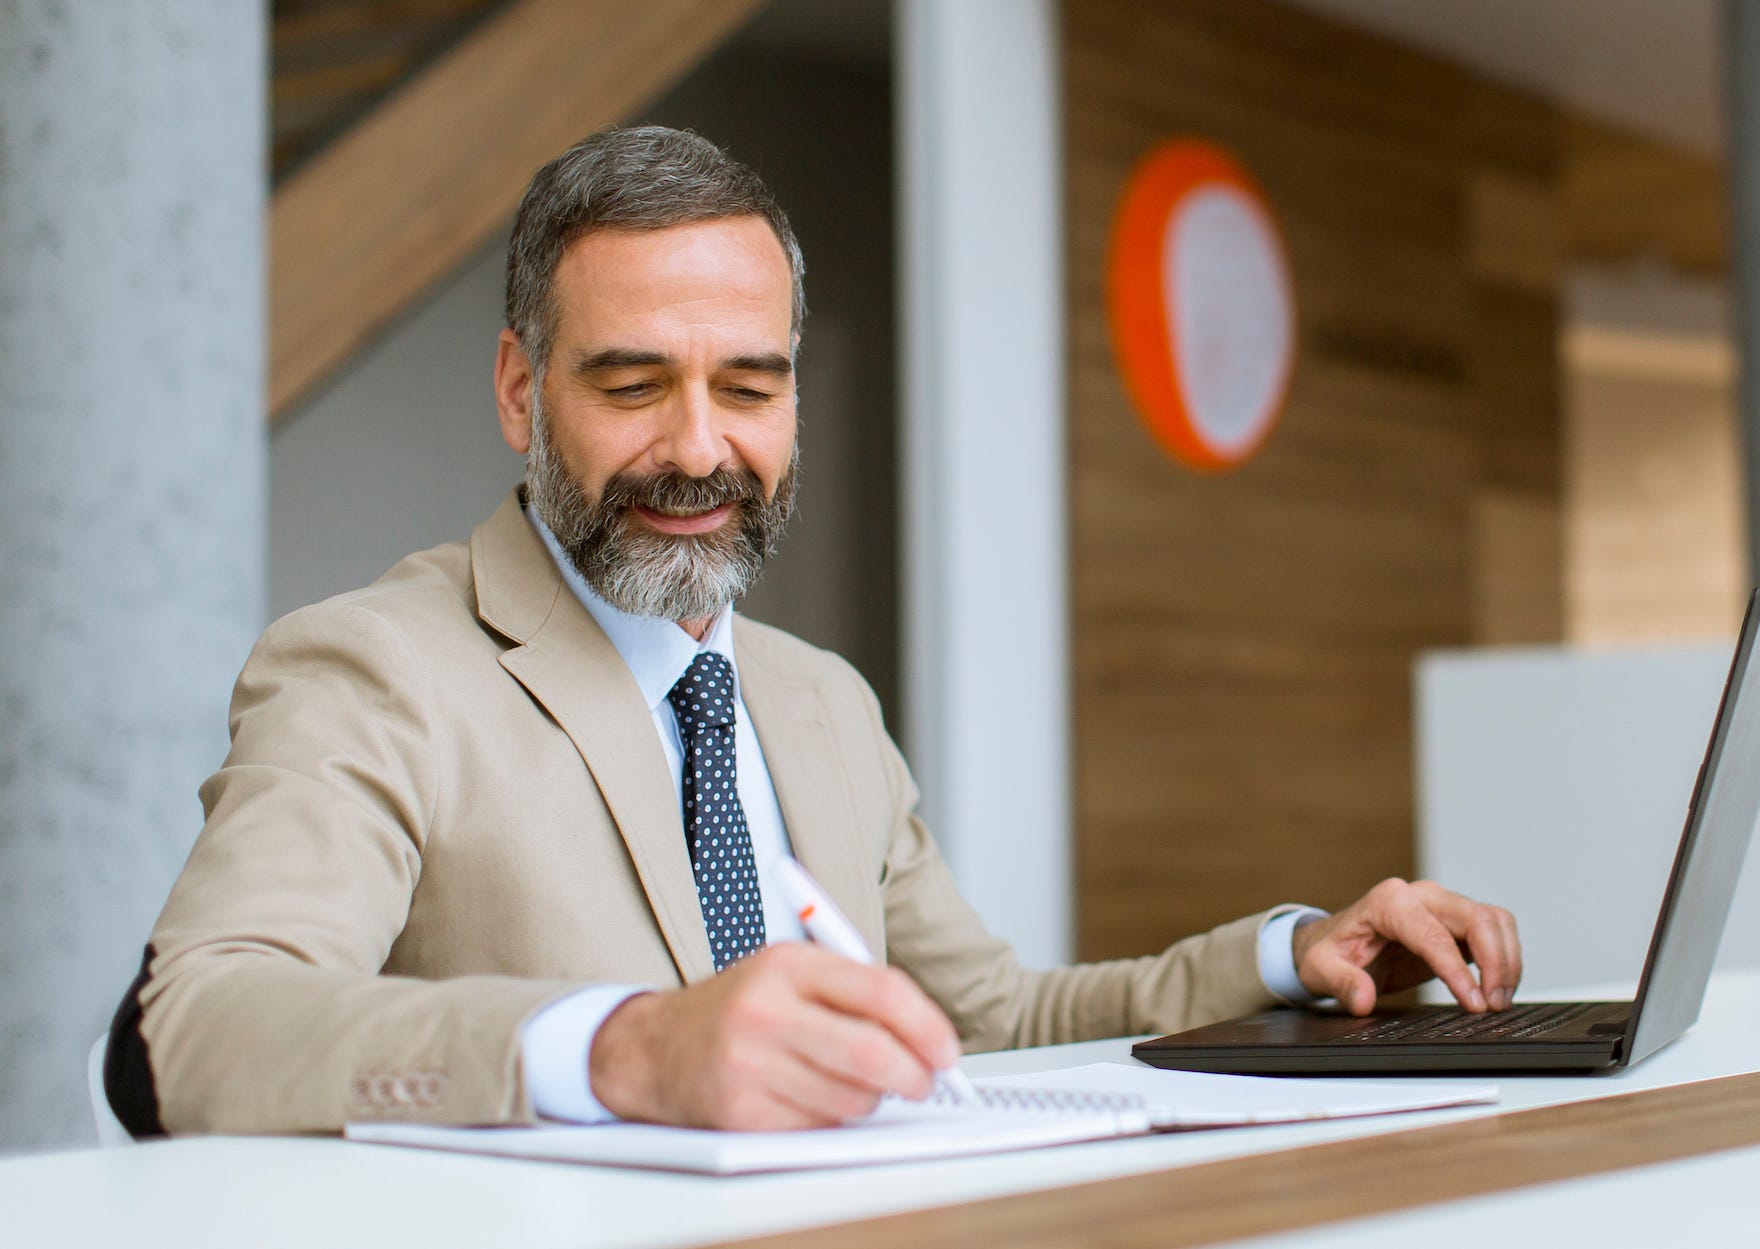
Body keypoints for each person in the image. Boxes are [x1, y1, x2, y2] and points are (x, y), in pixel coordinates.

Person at [104, 126, 1520, 1136]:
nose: (699, 446)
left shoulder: (820, 701)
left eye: (750, 385)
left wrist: (1291, 960)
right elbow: (197, 1030)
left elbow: (994, 1020)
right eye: (633, 383)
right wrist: (627, 1045)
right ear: (521, 394)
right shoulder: (375, 666)